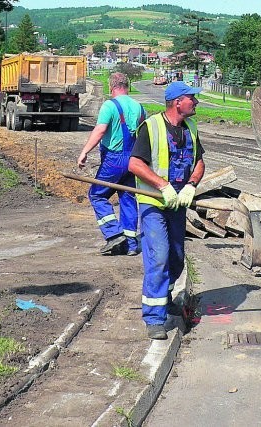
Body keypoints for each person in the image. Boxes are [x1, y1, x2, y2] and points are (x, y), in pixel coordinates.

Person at [129, 81, 205, 340]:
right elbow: (135, 164)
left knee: (176, 257)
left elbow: (199, 162)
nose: (195, 102)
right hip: (153, 203)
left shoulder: (191, 128)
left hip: (177, 204)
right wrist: (163, 186)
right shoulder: (151, 128)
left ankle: (164, 297)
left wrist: (190, 186)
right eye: (191, 98)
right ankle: (154, 317)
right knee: (159, 256)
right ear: (177, 102)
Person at [77, 72, 146, 256]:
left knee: (97, 195)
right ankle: (131, 245)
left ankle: (114, 234)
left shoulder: (109, 106)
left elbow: (100, 130)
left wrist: (84, 152)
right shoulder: (140, 108)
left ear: (111, 86)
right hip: (133, 160)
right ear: (128, 86)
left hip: (114, 160)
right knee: (127, 198)